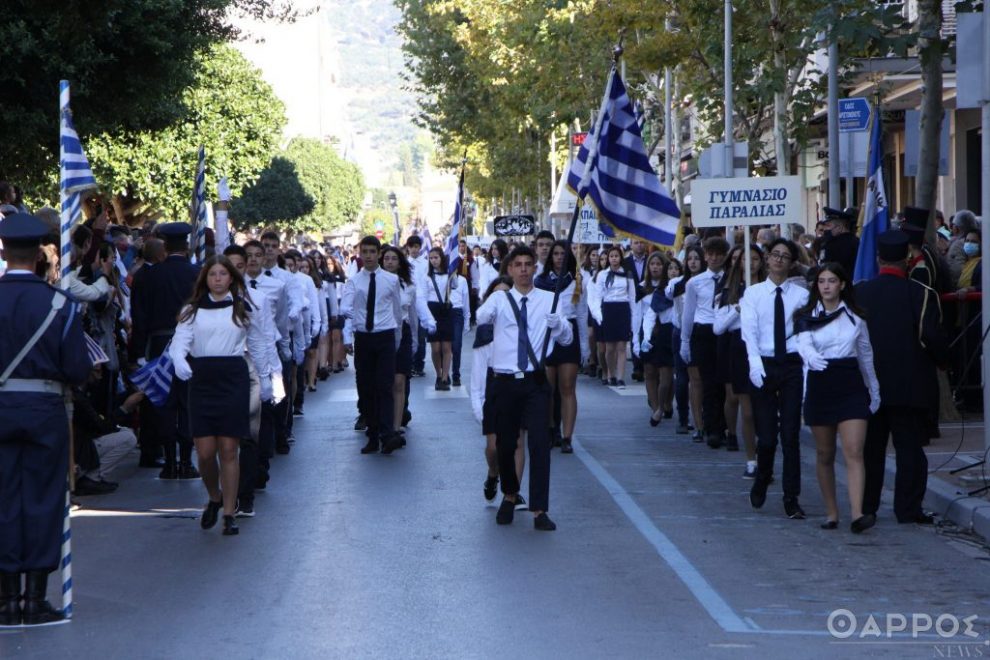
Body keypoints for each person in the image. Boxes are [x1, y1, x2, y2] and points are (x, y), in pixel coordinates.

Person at [0, 212, 94, 625]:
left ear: (3, 251)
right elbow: (76, 367)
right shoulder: (61, 303)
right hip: (44, 409)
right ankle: (35, 599)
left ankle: (5, 599)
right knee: (42, 499)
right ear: (41, 255)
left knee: (3, 498)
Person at [475, 245, 573, 531]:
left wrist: (560, 326)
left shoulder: (549, 300)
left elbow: (566, 340)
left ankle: (539, 509)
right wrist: (491, 305)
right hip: (504, 380)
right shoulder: (500, 299)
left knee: (540, 444)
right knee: (507, 444)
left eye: (528, 264)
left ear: (535, 268)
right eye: (517, 265)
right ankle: (509, 494)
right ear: (509, 269)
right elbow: (481, 318)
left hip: (535, 381)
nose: (523, 269)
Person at [857, 230, 948, 525]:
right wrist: (943, 362)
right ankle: (907, 509)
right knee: (909, 449)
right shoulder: (920, 294)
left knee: (871, 450)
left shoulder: (860, 293)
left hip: (870, 386)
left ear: (878, 258)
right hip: (910, 385)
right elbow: (932, 337)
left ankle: (867, 506)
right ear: (907, 259)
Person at [795, 264, 880, 532]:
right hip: (821, 383)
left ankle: (857, 514)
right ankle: (832, 512)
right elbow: (803, 343)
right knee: (824, 453)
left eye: (832, 281)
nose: (827, 286)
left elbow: (866, 355)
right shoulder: (806, 316)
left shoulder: (856, 317)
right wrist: (810, 357)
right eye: (822, 282)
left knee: (854, 450)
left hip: (849, 381)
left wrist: (874, 389)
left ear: (842, 284)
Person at [740, 238, 809, 519]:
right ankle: (763, 476)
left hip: (792, 365)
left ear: (791, 263)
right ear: (767, 259)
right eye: (775, 255)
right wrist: (755, 366)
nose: (779, 260)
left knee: (790, 434)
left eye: (785, 256)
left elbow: (805, 332)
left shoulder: (800, 296)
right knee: (767, 437)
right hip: (765, 363)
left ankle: (791, 497)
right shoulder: (753, 294)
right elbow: (749, 333)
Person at [129, 222, 200, 479]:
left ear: (166, 246)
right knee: (187, 404)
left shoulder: (147, 275)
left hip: (158, 345)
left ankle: (170, 461)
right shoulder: (197, 274)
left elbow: (139, 318)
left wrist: (137, 353)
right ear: (188, 245)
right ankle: (186, 461)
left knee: (165, 404)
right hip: (191, 345)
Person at [341, 236, 404, 455]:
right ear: (359, 254)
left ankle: (387, 435)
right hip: (364, 338)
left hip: (385, 336)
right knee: (366, 388)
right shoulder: (354, 281)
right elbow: (345, 308)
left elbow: (397, 310)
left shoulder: (391, 280)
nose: (367, 256)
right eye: (364, 252)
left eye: (371, 251)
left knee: (385, 387)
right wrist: (347, 336)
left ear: (378, 254)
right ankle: (373, 434)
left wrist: (397, 339)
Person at [471, 276, 526, 504]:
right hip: (492, 394)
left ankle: (511, 495)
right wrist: (480, 413)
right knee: (494, 448)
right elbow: (476, 382)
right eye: (497, 295)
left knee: (518, 442)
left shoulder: (521, 332)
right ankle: (493, 474)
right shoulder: (484, 337)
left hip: (518, 388)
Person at [714, 244, 765, 473]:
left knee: (765, 409)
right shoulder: (729, 291)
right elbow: (718, 327)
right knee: (748, 410)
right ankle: (751, 459)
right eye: (746, 259)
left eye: (755, 259)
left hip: (766, 347)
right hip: (740, 347)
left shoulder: (768, 289)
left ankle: (765, 454)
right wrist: (737, 309)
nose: (751, 263)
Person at [381, 245, 434, 442]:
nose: (390, 262)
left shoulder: (409, 286)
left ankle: (396, 426)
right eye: (386, 258)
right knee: (383, 382)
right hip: (381, 332)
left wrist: (413, 341)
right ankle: (381, 422)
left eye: (394, 258)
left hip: (401, 333)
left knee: (399, 380)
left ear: (400, 262)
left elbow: (412, 315)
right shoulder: (375, 282)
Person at [680, 236, 730, 447]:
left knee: (724, 383)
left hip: (725, 329)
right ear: (705, 256)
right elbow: (688, 312)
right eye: (710, 254)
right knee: (707, 382)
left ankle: (725, 425)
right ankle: (712, 429)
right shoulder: (695, 282)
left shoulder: (731, 279)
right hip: (703, 331)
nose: (714, 258)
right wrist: (685, 339)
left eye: (719, 254)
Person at [535, 240, 581, 453]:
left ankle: (567, 436)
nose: (559, 257)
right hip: (547, 333)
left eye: (563, 253)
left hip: (569, 334)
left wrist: (586, 351)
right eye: (556, 254)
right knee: (548, 388)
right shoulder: (540, 281)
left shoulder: (577, 281)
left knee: (567, 388)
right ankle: (551, 428)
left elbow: (582, 314)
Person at [633, 252, 674, 427]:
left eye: (659, 264)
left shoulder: (670, 287)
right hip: (647, 331)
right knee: (649, 371)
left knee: (666, 373)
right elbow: (636, 315)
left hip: (665, 331)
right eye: (652, 264)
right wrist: (636, 340)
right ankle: (656, 407)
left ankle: (666, 401)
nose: (655, 267)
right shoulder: (642, 287)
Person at [421, 247, 467, 390]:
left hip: (447, 309)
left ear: (442, 258)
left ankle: (445, 377)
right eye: (431, 258)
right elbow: (422, 297)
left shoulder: (448, 274)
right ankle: (438, 374)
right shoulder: (426, 277)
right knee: (435, 348)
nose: (434, 260)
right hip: (432, 310)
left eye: (436, 257)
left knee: (447, 346)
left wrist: (452, 271)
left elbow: (455, 285)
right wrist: (426, 318)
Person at [592, 245, 636, 388]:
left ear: (620, 258)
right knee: (610, 348)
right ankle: (611, 373)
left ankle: (620, 377)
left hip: (622, 308)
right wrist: (599, 314)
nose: (614, 258)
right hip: (608, 308)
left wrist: (633, 317)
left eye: (616, 256)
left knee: (622, 346)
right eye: (611, 256)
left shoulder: (627, 274)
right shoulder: (602, 275)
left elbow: (632, 296)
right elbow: (598, 296)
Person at [817, 207, 859, 276]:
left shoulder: (831, 244)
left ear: (840, 227)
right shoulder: (856, 241)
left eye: (828, 226)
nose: (825, 229)